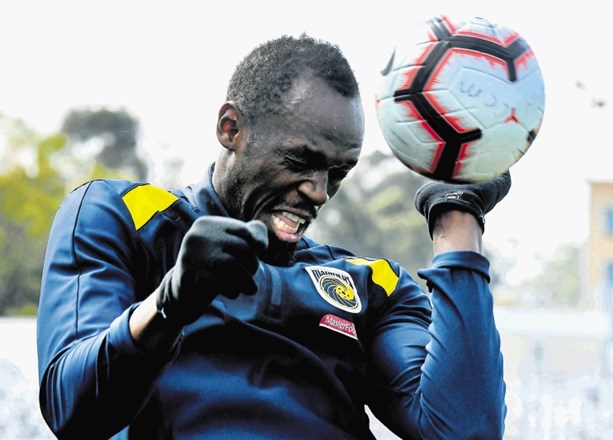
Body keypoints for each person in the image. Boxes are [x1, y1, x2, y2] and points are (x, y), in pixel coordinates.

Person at [37, 33, 510, 439]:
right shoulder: (122, 217)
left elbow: (463, 431)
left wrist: (457, 222)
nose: (319, 192)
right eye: (300, 161)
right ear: (231, 129)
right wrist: (169, 306)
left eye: (338, 172)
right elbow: (73, 413)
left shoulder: (375, 285)